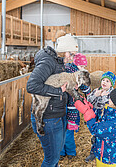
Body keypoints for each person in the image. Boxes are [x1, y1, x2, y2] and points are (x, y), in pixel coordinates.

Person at [26, 34, 78, 167]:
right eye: (71, 54)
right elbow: (32, 85)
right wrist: (59, 91)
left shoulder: (59, 63)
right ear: (65, 51)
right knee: (51, 159)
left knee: (55, 156)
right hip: (48, 118)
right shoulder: (48, 62)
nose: (72, 59)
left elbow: (59, 84)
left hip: (58, 114)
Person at [75, 88, 116, 166]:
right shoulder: (112, 113)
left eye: (110, 98)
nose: (108, 98)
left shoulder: (114, 122)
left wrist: (87, 113)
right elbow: (101, 122)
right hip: (104, 151)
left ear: (115, 103)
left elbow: (96, 130)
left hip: (108, 158)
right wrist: (91, 109)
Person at [60, 53, 91, 160]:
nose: (83, 69)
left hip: (67, 104)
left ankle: (66, 152)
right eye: (81, 66)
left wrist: (86, 90)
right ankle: (68, 152)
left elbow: (85, 87)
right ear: (76, 63)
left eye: (84, 67)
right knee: (66, 130)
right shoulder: (70, 70)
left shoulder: (71, 70)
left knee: (66, 130)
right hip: (67, 104)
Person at [85, 71, 116, 163]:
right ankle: (93, 152)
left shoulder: (112, 93)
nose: (104, 82)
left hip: (106, 116)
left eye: (107, 81)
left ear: (111, 84)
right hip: (96, 114)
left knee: (104, 135)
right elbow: (88, 100)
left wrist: (103, 97)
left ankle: (106, 153)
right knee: (95, 134)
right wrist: (95, 95)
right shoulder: (96, 90)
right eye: (103, 80)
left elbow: (111, 105)